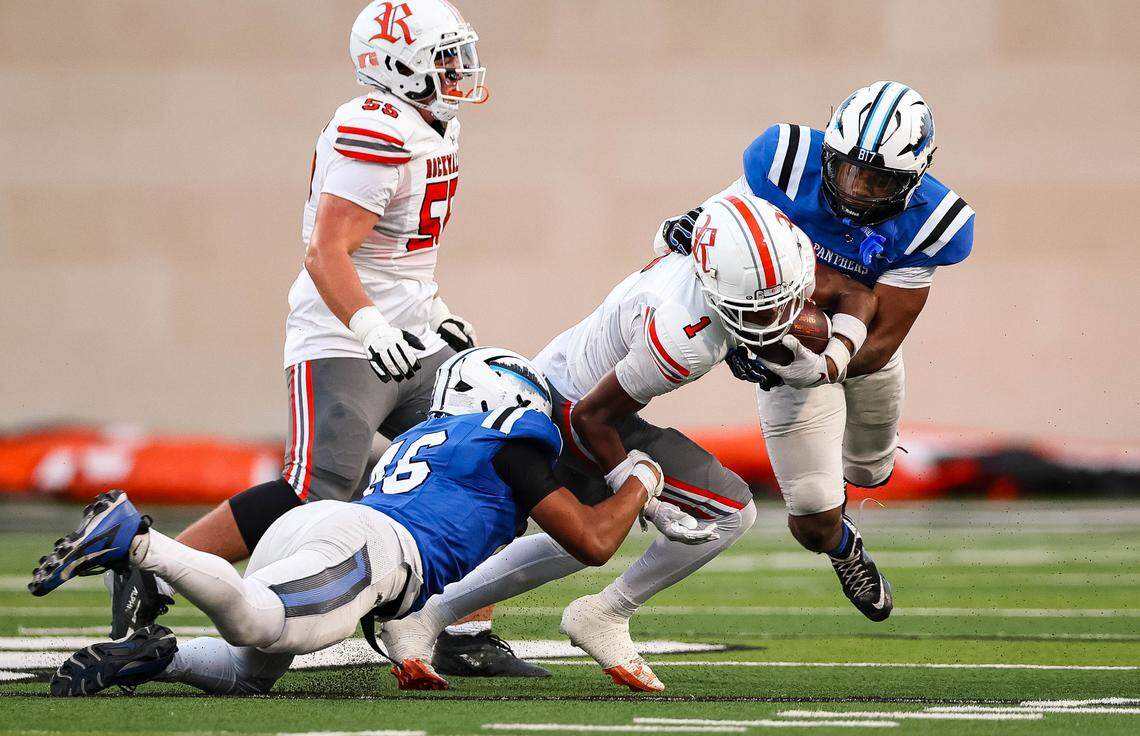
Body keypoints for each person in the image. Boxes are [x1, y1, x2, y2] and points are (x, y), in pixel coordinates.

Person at [108, 0, 543, 678]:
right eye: (445, 57)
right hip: (344, 333)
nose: (460, 69)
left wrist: (436, 314)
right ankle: (154, 569)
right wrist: (371, 328)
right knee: (317, 489)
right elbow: (327, 252)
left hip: (415, 329)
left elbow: (403, 254)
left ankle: (464, 631)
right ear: (397, 66)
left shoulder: (432, 124)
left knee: (485, 451)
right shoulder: (374, 129)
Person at [381, 193, 878, 692]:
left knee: (583, 536)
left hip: (580, 387)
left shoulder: (774, 263)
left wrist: (835, 357)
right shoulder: (685, 332)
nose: (775, 321)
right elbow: (593, 417)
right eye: (755, 311)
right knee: (723, 512)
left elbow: (859, 293)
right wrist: (641, 492)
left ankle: (428, 616)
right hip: (571, 407)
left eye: (782, 302)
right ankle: (604, 613)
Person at [30, 349, 695, 696]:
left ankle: (153, 655)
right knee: (260, 622)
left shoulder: (424, 444)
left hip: (333, 533)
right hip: (365, 550)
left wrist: (410, 651)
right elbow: (593, 540)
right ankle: (139, 540)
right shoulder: (509, 440)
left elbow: (403, 593)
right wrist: (641, 478)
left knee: (250, 672)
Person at [657, 81, 976, 622]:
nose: (855, 188)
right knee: (810, 519)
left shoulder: (932, 222)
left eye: (877, 179)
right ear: (827, 151)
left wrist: (814, 364)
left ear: (913, 179)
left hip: (859, 349)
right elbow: (712, 244)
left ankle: (866, 459)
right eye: (848, 169)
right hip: (784, 340)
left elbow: (880, 342)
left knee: (872, 474)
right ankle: (845, 546)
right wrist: (763, 345)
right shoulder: (782, 161)